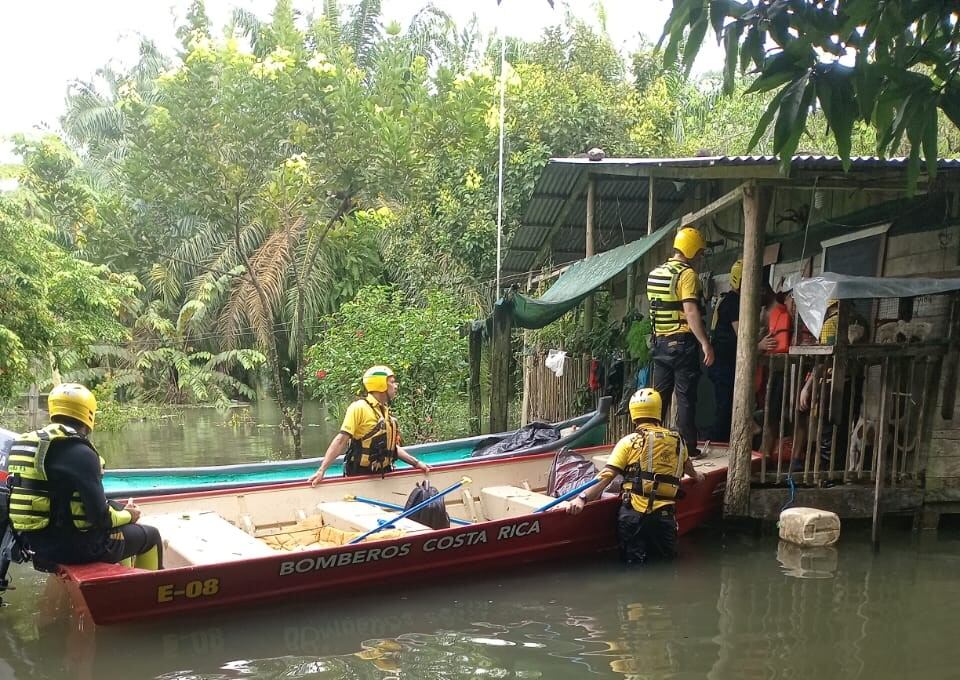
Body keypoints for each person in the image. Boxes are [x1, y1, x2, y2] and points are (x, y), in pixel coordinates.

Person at [7, 383, 163, 570]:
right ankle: (147, 594)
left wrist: (121, 511)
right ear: (88, 414)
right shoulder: (81, 452)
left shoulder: (30, 444)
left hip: (37, 547)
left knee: (116, 507)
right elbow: (101, 518)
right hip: (77, 548)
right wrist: (129, 515)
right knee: (151, 536)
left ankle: (117, 578)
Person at [566, 388, 704, 564]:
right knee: (665, 568)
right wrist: (699, 476)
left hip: (633, 516)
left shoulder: (629, 442)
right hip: (663, 517)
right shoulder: (678, 441)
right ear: (658, 411)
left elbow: (606, 476)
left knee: (633, 567)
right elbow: (690, 470)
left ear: (634, 414)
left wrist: (582, 498)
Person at [646, 226, 714, 456]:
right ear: (693, 251)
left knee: (659, 397)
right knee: (685, 397)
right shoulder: (687, 275)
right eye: (700, 253)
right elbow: (691, 311)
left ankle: (650, 443)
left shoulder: (655, 273)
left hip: (659, 343)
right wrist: (705, 342)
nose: (701, 258)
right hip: (682, 343)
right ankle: (687, 449)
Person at [309, 366, 430, 485]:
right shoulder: (359, 408)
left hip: (383, 473)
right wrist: (321, 470)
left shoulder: (384, 410)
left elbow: (391, 448)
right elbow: (341, 440)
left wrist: (417, 463)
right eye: (392, 382)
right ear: (380, 385)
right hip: (361, 474)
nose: (396, 386)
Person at [708, 260, 777, 442]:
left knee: (729, 404)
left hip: (723, 362)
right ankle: (720, 444)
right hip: (723, 364)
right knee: (726, 407)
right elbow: (742, 336)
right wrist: (759, 346)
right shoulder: (735, 302)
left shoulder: (729, 299)